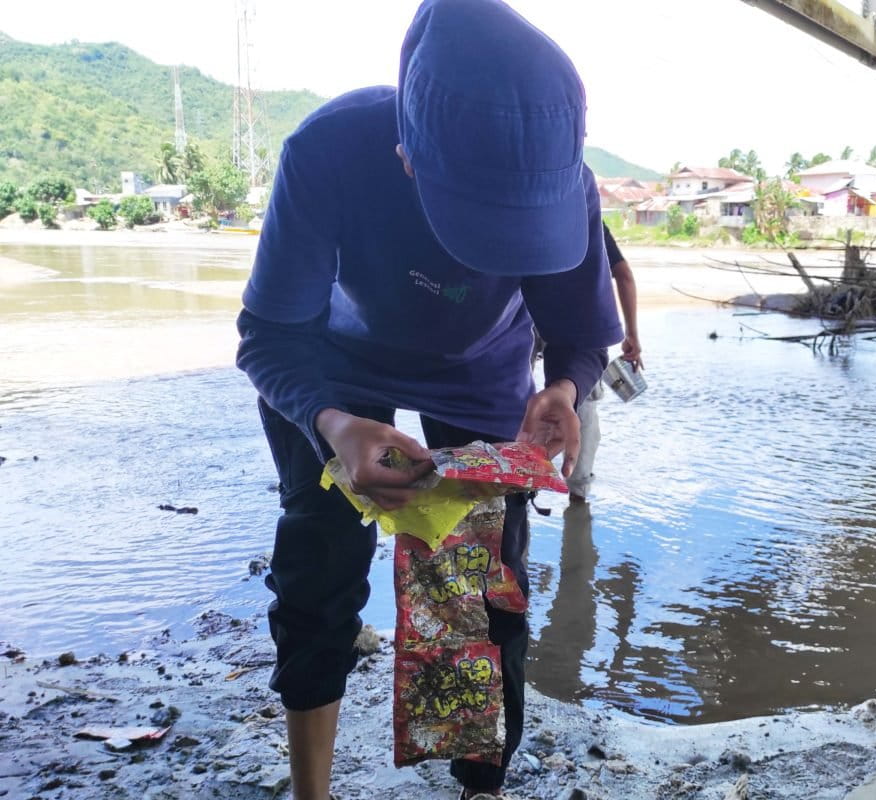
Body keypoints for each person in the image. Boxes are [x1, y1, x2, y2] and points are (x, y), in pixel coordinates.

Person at [234, 2, 622, 798]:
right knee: (320, 563)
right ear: (408, 155)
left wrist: (563, 387)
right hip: (335, 363)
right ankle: (312, 790)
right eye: (483, 223)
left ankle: (482, 787)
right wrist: (334, 423)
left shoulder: (567, 184)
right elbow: (268, 336)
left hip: (481, 369)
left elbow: (583, 331)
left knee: (478, 582)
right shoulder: (328, 151)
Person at [564, 223, 643, 502]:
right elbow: (624, 275)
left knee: (516, 392)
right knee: (583, 403)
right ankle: (578, 490)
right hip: (585, 322)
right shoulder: (588, 217)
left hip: (526, 314)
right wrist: (631, 334)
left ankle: (508, 482)